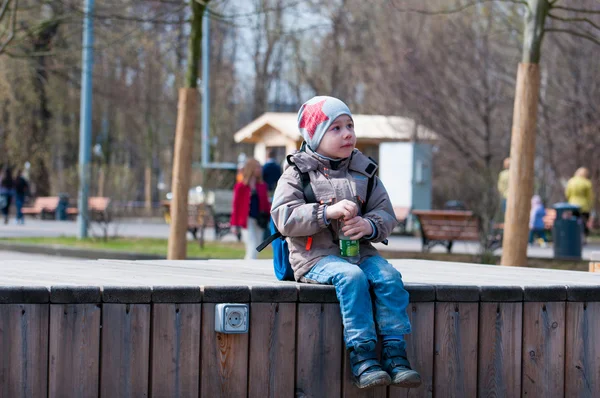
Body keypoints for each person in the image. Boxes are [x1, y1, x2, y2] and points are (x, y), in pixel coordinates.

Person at [271, 96, 421, 389]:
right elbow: (284, 218)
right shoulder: (298, 173)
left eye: (350, 125)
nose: (347, 133)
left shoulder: (364, 171)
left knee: (389, 277)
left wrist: (368, 225)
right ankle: (363, 357)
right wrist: (326, 212)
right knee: (351, 278)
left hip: (359, 251)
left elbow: (385, 212)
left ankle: (394, 352)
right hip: (315, 257)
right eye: (335, 128)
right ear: (314, 136)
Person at [230, 158, 271, 260]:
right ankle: (247, 268)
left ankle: (248, 266)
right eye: (257, 167)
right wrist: (234, 224)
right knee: (251, 246)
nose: (260, 169)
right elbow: (236, 206)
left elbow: (266, 204)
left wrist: (271, 217)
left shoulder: (262, 186)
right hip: (247, 220)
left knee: (257, 246)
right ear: (251, 168)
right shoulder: (240, 186)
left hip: (259, 220)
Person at [565, 167, 594, 243]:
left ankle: (572, 236)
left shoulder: (571, 181)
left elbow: (567, 194)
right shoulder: (587, 182)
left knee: (573, 221)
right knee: (584, 221)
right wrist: (590, 205)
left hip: (572, 204)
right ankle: (583, 237)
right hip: (584, 205)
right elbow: (589, 197)